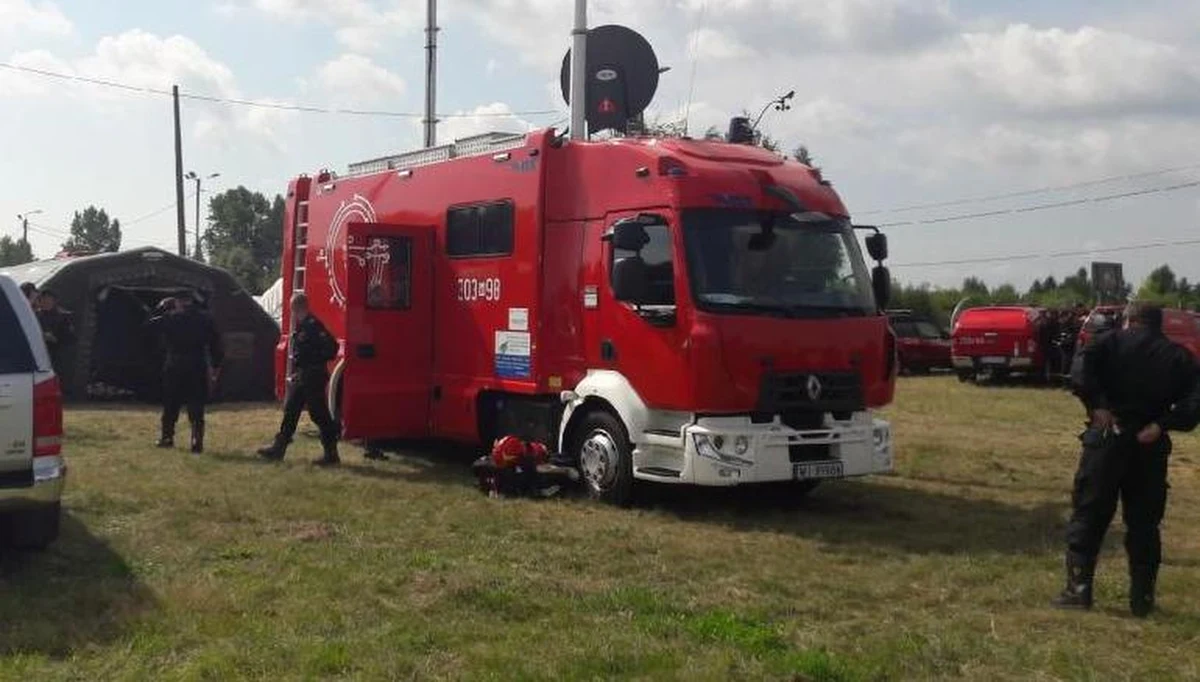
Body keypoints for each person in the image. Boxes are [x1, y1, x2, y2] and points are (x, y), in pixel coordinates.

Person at [1054, 302, 1200, 617]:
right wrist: (1163, 424)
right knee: (1145, 524)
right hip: (1149, 443)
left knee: (1089, 514)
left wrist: (1098, 404)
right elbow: (1194, 400)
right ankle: (1142, 599)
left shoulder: (1106, 342)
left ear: (1128, 320)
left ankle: (1078, 591)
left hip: (1106, 438)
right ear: (1159, 325)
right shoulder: (1177, 356)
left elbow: (1079, 370)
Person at [257, 292, 341, 466]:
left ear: (294, 307)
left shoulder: (312, 325)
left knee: (319, 414)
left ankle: (331, 453)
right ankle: (278, 448)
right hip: (303, 375)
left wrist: (317, 360)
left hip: (313, 375)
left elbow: (332, 346)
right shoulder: (303, 326)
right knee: (291, 410)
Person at [146, 293, 224, 454]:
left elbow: (148, 326)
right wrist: (215, 366)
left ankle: (167, 437)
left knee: (171, 403)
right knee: (196, 403)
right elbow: (216, 344)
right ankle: (196, 440)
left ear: (177, 301)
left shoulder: (170, 318)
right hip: (197, 363)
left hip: (174, 363)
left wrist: (161, 309)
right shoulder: (205, 319)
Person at [35, 289, 75, 376]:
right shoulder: (35, 315)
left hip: (58, 356)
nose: (45, 302)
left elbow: (70, 338)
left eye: (48, 300)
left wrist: (55, 338)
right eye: (42, 299)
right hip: (39, 355)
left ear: (54, 301)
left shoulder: (64, 316)